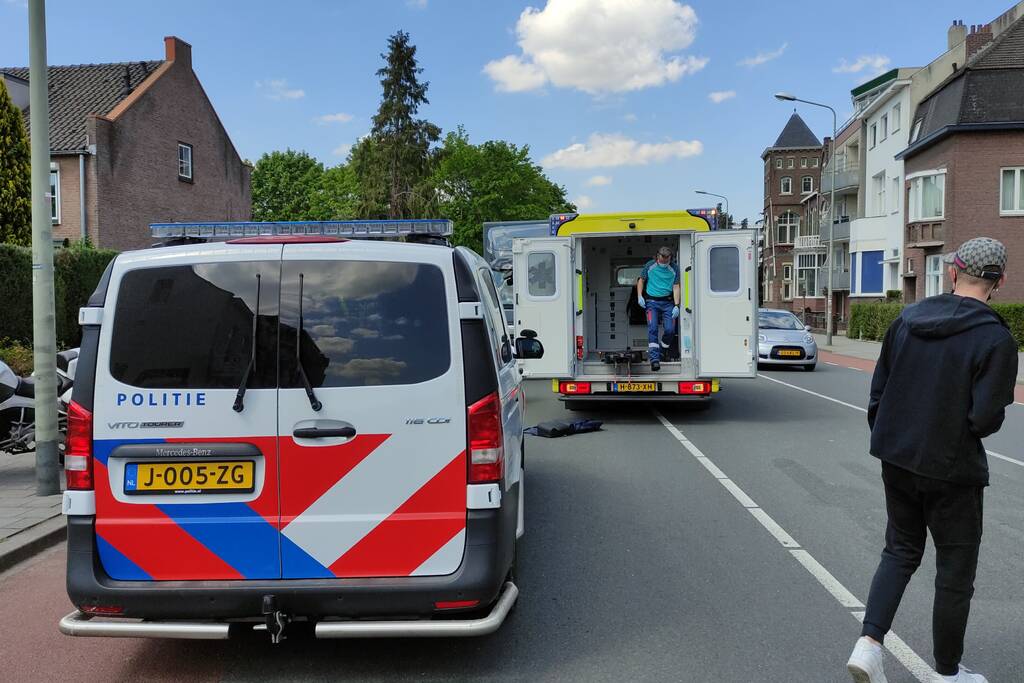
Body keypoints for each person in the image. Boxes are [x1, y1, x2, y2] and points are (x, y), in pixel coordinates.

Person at [846, 237, 1018, 683]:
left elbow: (878, 391)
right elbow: (984, 419)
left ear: (953, 272)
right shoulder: (997, 338)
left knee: (899, 551)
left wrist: (892, 437)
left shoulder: (906, 319)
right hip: (952, 469)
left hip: (896, 457)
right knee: (954, 571)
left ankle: (869, 645)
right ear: (997, 282)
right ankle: (946, 673)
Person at [636, 246, 681, 371]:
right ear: (657, 256)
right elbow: (641, 281)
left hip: (668, 303)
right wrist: (640, 296)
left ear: (670, 258)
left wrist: (676, 305)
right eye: (662, 259)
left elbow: (676, 286)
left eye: (667, 259)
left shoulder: (674, 268)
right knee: (653, 329)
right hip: (652, 302)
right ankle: (655, 359)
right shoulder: (650, 266)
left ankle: (662, 350)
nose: (664, 262)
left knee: (670, 330)